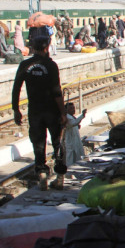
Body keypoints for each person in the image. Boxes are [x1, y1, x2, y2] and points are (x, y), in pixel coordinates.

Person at [12, 36, 67, 190]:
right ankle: (60, 177)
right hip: (52, 111)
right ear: (46, 47)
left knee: (38, 143)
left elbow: (16, 88)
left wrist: (16, 110)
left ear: (33, 48)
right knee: (57, 142)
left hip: (35, 111)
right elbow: (57, 92)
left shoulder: (25, 65)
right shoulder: (51, 65)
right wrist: (63, 113)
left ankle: (42, 174)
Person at [63, 102, 87, 166]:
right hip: (71, 142)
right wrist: (82, 115)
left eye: (74, 108)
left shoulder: (72, 116)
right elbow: (74, 123)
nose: (73, 110)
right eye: (71, 108)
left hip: (76, 140)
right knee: (71, 158)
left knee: (78, 157)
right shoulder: (67, 117)